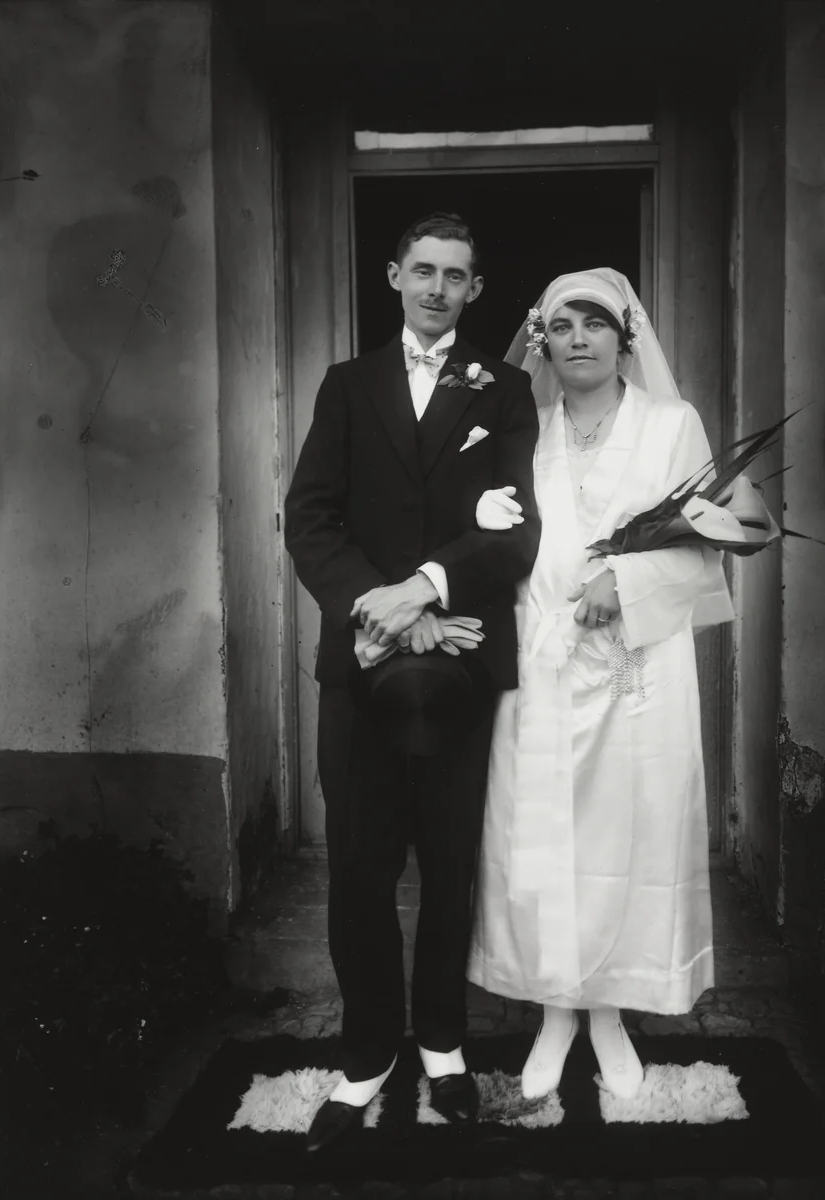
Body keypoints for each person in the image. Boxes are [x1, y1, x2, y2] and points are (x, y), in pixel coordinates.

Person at [283, 213, 541, 1150]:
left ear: (476, 290)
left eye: (457, 275)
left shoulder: (506, 391)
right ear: (394, 276)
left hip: (463, 659)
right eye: (422, 269)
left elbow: (517, 529)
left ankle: (441, 1045)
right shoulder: (347, 388)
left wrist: (426, 589)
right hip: (360, 664)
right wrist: (375, 606)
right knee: (359, 866)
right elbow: (309, 517)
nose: (437, 287)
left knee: (449, 863)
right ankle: (367, 1053)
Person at [467, 268, 735, 1102]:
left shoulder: (671, 424)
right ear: (540, 340)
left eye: (594, 323)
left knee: (632, 839)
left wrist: (626, 581)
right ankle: (554, 1010)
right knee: (541, 842)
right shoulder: (520, 428)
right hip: (539, 664)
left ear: (627, 337)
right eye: (560, 325)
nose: (577, 338)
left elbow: (708, 541)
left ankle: (613, 1010)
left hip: (634, 672)